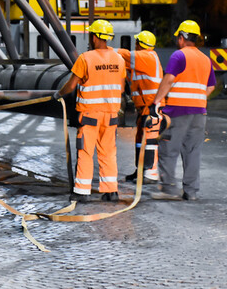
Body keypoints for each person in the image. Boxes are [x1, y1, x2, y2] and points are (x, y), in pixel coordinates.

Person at [54, 19, 126, 202]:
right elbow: (122, 87)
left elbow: (71, 85)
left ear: (94, 37)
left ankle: (81, 192)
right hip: (111, 115)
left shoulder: (86, 58)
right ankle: (111, 191)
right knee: (108, 152)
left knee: (86, 151)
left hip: (90, 115)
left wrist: (58, 94)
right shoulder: (119, 60)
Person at [151, 20, 215, 201]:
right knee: (193, 152)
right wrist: (198, 99)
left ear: (181, 38)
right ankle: (191, 191)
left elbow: (169, 80)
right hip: (199, 113)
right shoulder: (205, 59)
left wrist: (156, 101)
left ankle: (169, 190)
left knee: (168, 149)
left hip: (177, 112)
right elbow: (210, 87)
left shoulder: (179, 56)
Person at [116, 30, 163, 183]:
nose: (134, 45)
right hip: (144, 107)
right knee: (140, 139)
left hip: (152, 107)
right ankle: (141, 170)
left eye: (136, 43)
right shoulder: (143, 61)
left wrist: (105, 50)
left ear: (140, 44)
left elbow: (123, 54)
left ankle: (151, 173)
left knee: (149, 139)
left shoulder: (147, 57)